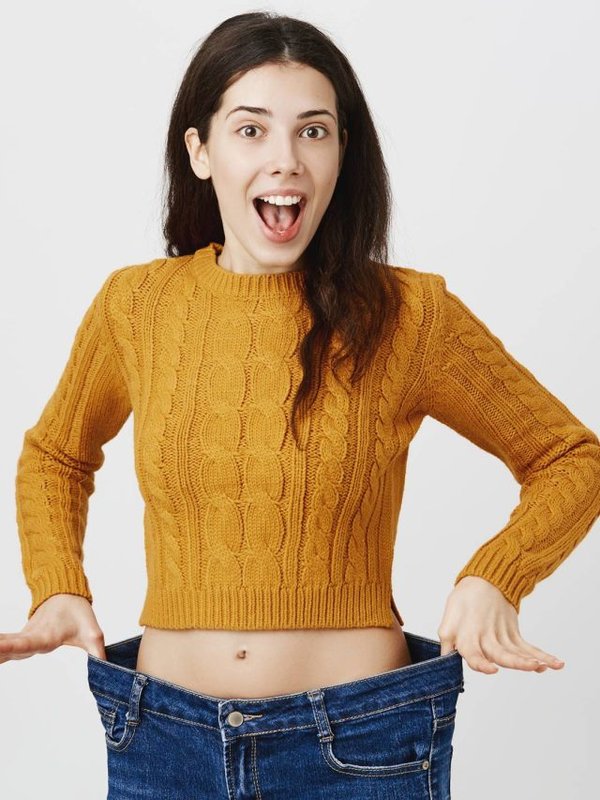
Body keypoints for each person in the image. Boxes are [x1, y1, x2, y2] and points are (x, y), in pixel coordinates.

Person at [3, 11, 600, 799]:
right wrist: (57, 583)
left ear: (342, 152)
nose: (285, 159)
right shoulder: (137, 306)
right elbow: (57, 454)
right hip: (161, 741)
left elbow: (571, 457)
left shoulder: (409, 315)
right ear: (201, 151)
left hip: (362, 745)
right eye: (251, 130)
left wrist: (497, 575)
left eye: (313, 131)